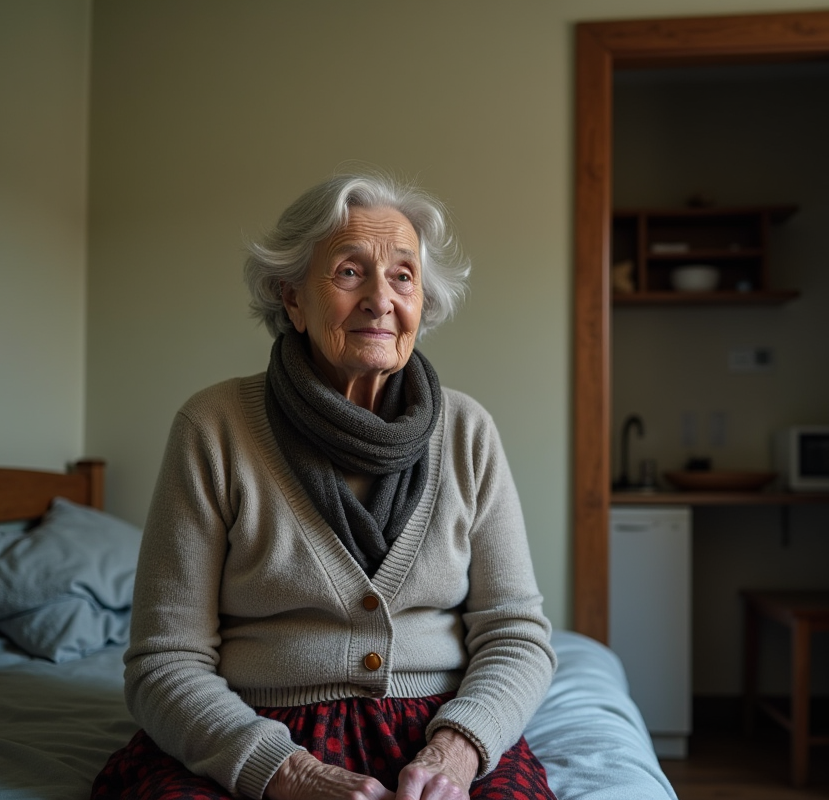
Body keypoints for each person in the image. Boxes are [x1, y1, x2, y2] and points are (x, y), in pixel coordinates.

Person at [93, 170, 557, 800]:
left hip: (440, 735)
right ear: (292, 299)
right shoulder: (214, 426)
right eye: (348, 272)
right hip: (252, 736)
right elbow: (162, 662)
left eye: (402, 275)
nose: (380, 299)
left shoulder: (467, 431)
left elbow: (516, 634)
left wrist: (458, 751)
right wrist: (286, 773)